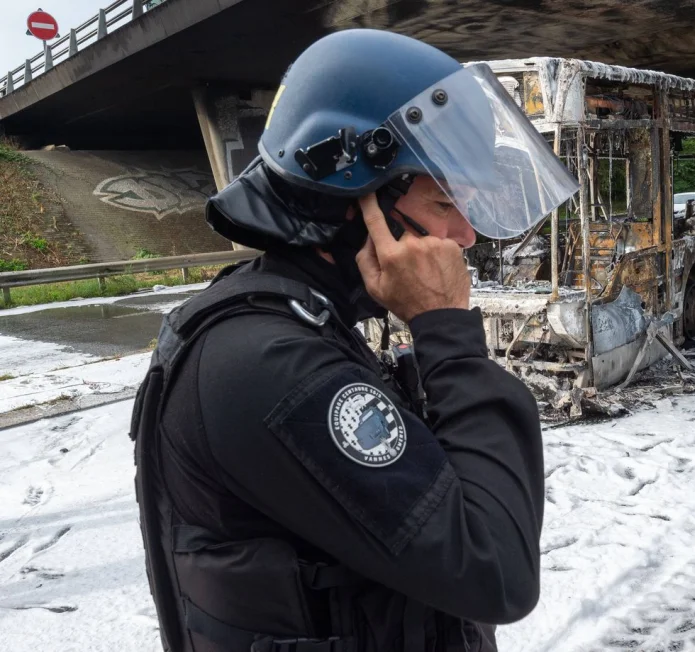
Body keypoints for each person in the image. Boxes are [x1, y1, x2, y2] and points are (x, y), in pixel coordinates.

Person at [129, 29, 578, 652]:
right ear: (352, 197)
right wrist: (445, 331)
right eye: (447, 201)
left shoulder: (299, 320)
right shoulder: (267, 363)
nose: (467, 236)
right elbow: (495, 569)